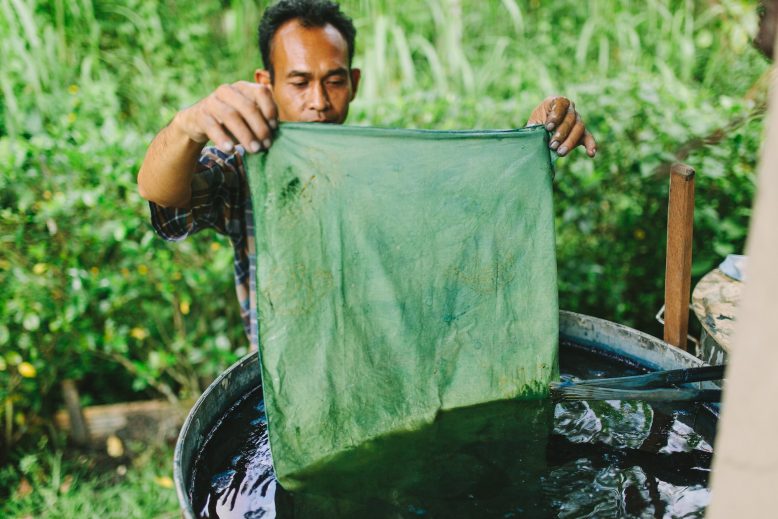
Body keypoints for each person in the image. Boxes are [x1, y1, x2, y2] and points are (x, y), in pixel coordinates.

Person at [136, 0, 597, 351]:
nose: (318, 100)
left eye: (333, 81)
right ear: (265, 82)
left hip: (384, 371)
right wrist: (188, 126)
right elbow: (165, 198)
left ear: (353, 82)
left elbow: (473, 204)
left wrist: (534, 138)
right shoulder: (245, 167)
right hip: (285, 389)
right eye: (298, 82)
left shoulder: (384, 165)